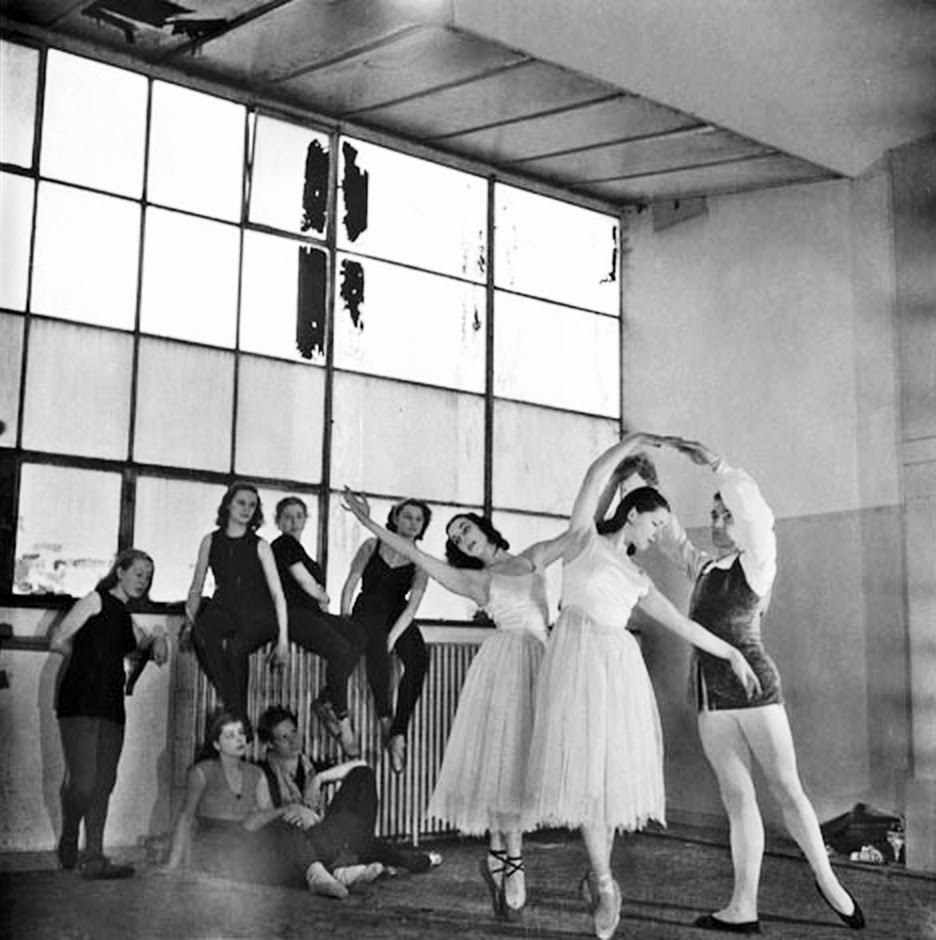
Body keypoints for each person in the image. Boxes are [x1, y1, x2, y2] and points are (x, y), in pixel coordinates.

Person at [523, 433, 762, 940]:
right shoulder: (583, 538)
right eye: (655, 524)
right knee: (586, 783)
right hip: (576, 662)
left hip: (617, 670)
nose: (659, 536)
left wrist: (731, 651)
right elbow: (593, 479)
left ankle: (601, 875)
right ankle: (606, 883)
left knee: (605, 788)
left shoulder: (636, 576)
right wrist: (633, 442)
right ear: (631, 514)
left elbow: (684, 625)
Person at [652, 436, 865, 933]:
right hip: (709, 695)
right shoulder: (704, 567)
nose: (721, 523)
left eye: (728, 514)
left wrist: (721, 467)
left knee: (787, 788)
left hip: (754, 689)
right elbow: (669, 537)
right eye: (715, 514)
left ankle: (829, 882)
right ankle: (742, 906)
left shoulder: (759, 562)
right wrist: (645, 482)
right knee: (737, 798)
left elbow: (756, 515)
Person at [341, 488, 562, 922]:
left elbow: (581, 531)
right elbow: (412, 553)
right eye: (456, 540)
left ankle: (498, 853)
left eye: (465, 529)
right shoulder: (473, 579)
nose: (462, 539)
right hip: (506, 669)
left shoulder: (532, 557)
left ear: (482, 526)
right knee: (509, 763)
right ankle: (512, 863)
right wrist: (368, 523)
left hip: (544, 664)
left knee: (521, 766)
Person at [49, 548, 168, 878]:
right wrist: (87, 663)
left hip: (112, 706)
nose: (142, 580)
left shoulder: (129, 621)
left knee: (104, 782)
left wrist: (160, 635)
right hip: (80, 701)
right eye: (138, 572)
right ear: (120, 571)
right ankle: (71, 833)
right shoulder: (95, 600)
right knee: (84, 784)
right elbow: (57, 639)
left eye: (148, 576)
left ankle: (95, 857)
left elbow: (159, 657)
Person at [256, 705, 441, 898]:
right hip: (300, 847)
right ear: (270, 743)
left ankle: (357, 858)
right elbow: (265, 825)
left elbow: (361, 765)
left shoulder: (309, 766)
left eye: (294, 732)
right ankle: (363, 862)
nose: (294, 741)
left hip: (327, 835)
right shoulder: (263, 773)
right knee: (348, 822)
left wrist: (319, 779)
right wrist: (293, 809)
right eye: (284, 737)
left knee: (362, 775)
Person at [340, 498, 432, 773]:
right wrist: (344, 618)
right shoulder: (372, 545)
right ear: (395, 517)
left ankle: (398, 732)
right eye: (407, 517)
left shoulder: (421, 562)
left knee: (418, 658)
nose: (412, 523)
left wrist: (392, 639)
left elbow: (412, 607)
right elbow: (351, 583)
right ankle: (384, 720)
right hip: (367, 606)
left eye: (418, 519)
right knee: (376, 645)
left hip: (398, 612)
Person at [270, 497, 366, 758]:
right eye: (287, 516)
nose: (293, 522)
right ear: (278, 521)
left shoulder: (299, 549)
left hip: (311, 613)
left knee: (359, 635)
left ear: (305, 520)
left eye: (298, 516)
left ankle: (325, 699)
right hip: (292, 615)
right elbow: (304, 582)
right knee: (341, 650)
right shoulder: (282, 544)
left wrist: (323, 603)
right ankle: (343, 720)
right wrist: (322, 596)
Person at [183, 482, 289, 718]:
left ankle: (235, 714)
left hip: (260, 616)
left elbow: (277, 594)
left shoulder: (261, 546)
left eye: (252, 505)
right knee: (201, 633)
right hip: (226, 610)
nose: (246, 509)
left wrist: (283, 640)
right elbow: (196, 587)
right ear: (228, 505)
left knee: (235, 648)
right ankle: (236, 711)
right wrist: (189, 623)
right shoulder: (210, 541)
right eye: (241, 502)